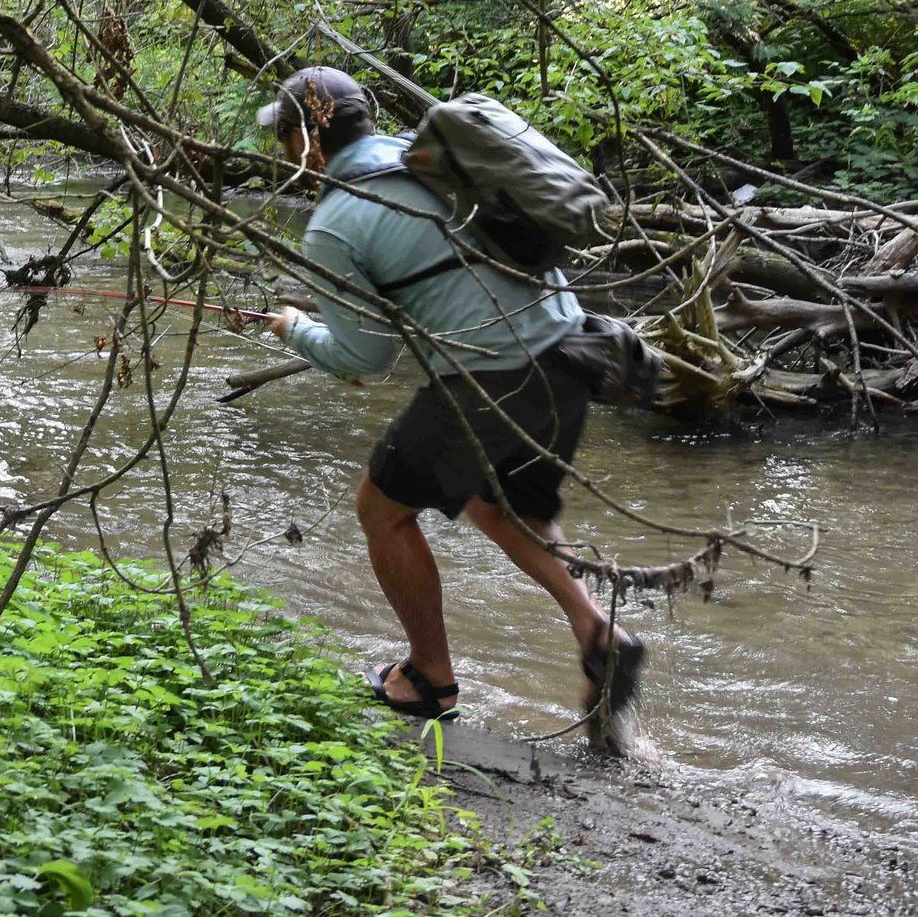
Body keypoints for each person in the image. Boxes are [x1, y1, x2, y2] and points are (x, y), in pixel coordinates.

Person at [258, 65, 646, 743]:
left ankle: (429, 682)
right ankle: (598, 633)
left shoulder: (334, 221)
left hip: (495, 376)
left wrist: (297, 329)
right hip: (572, 345)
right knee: (499, 504)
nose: (282, 150)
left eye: (284, 134)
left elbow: (363, 358)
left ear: (308, 139)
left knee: (380, 509)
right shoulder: (422, 153)